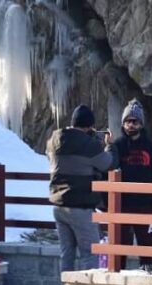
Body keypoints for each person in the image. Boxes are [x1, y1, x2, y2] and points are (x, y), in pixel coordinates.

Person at [46, 104, 116, 272]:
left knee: (66, 253)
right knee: (89, 253)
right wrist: (109, 146)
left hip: (59, 205)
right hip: (80, 207)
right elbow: (108, 163)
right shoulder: (88, 145)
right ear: (89, 126)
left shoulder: (53, 140)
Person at [113, 99, 152, 267]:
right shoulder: (117, 146)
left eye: (134, 121)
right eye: (128, 121)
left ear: (141, 124)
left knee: (148, 248)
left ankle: (148, 278)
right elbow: (105, 172)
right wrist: (108, 204)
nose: (131, 125)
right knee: (119, 249)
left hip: (145, 206)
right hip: (122, 206)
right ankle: (118, 281)